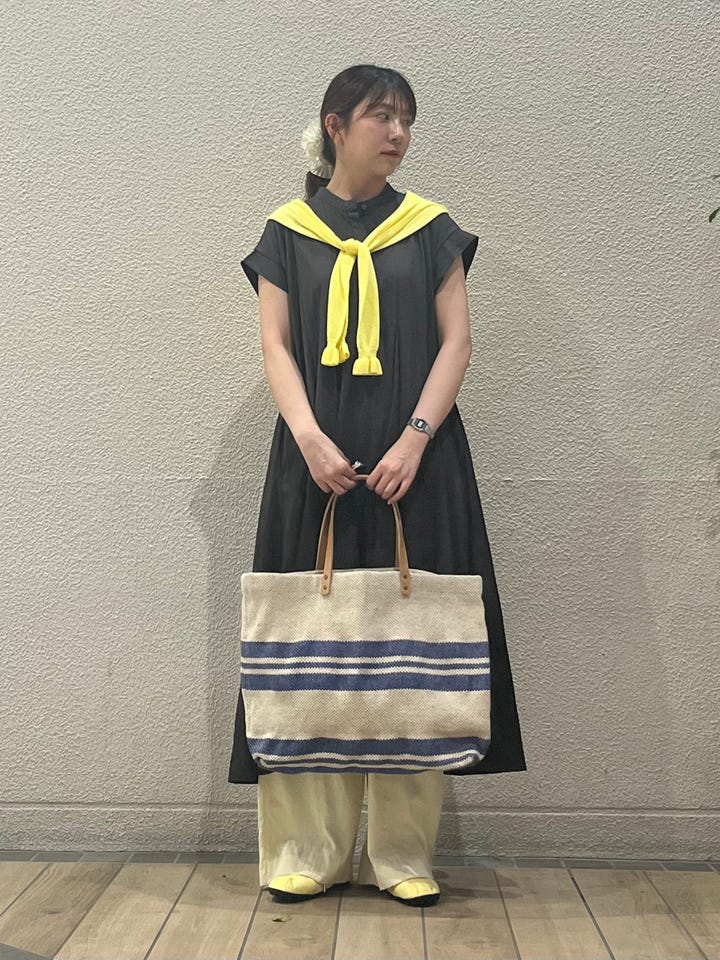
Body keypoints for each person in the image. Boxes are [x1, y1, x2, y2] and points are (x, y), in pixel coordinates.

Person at [228, 63, 527, 908]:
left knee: (413, 652)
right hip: (313, 462)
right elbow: (275, 345)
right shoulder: (286, 231)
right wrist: (309, 438)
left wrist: (415, 440)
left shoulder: (432, 229)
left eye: (406, 119)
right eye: (380, 116)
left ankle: (401, 854)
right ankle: (307, 852)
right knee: (307, 650)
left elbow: (456, 343)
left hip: (417, 465)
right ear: (335, 125)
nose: (398, 133)